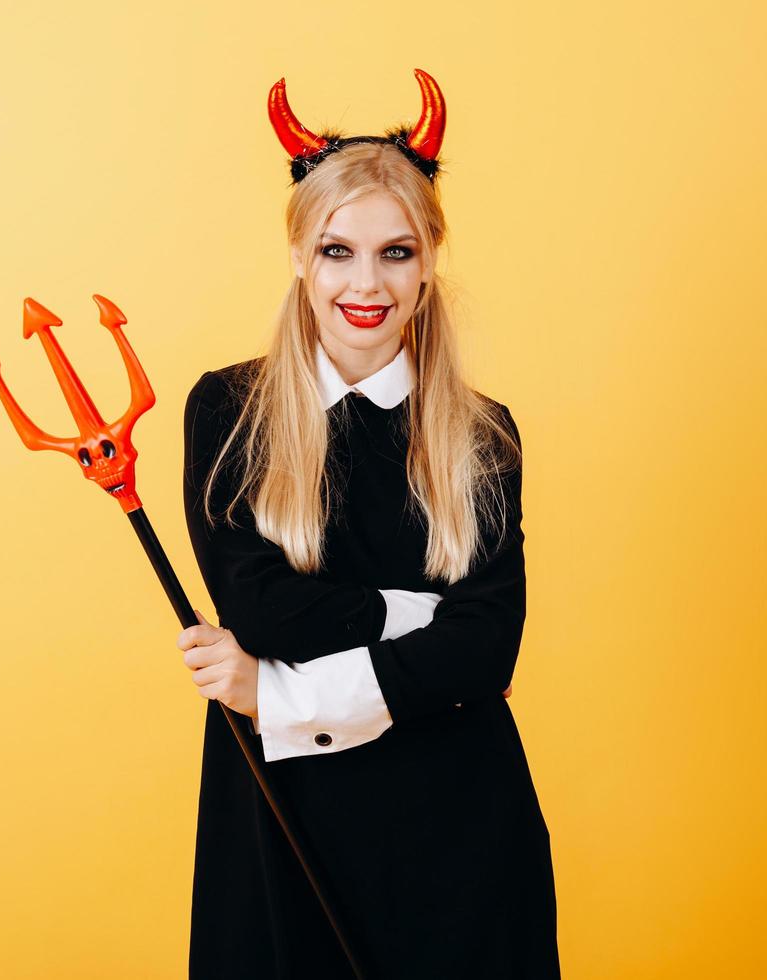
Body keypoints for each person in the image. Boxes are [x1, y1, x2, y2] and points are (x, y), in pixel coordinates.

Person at [176, 70, 559, 979]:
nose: (366, 283)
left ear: (428, 264)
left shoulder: (483, 432)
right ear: (302, 258)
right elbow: (262, 610)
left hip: (459, 829)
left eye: (396, 252)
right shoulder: (229, 411)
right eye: (337, 251)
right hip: (283, 817)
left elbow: (488, 652)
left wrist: (279, 695)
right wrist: (421, 615)